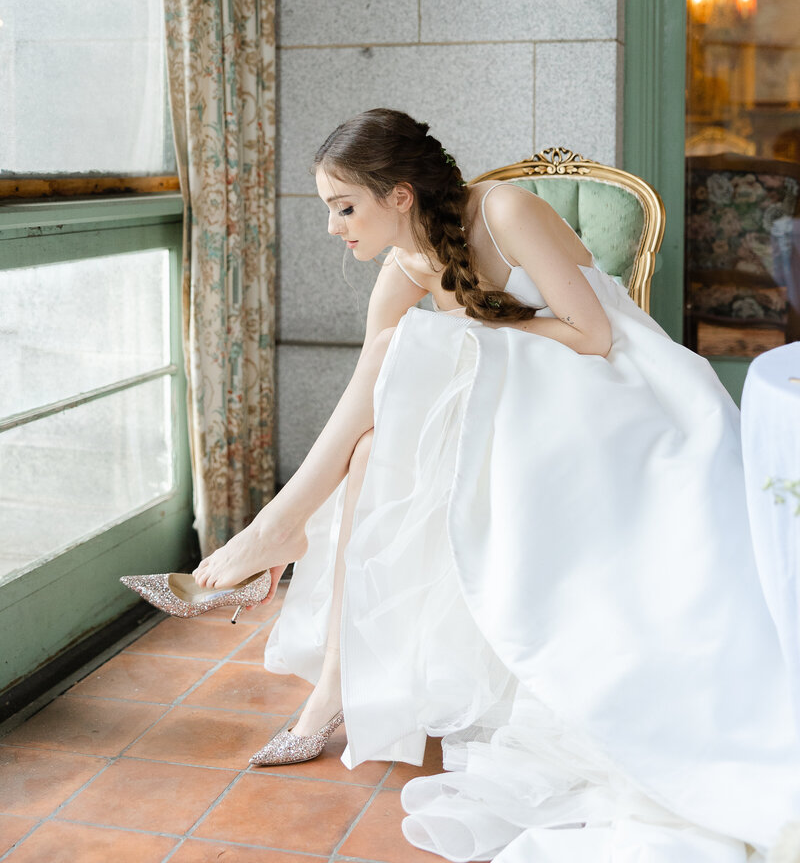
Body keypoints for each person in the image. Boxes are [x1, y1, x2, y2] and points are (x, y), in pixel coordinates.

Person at [127, 109, 800, 863]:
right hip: (515, 395)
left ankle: (276, 535)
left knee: (405, 349)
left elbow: (596, 336)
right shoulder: (402, 266)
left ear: (401, 195)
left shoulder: (506, 210)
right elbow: (369, 391)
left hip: (616, 395)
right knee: (373, 443)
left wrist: (462, 335)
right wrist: (444, 346)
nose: (332, 228)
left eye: (343, 207)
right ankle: (325, 669)